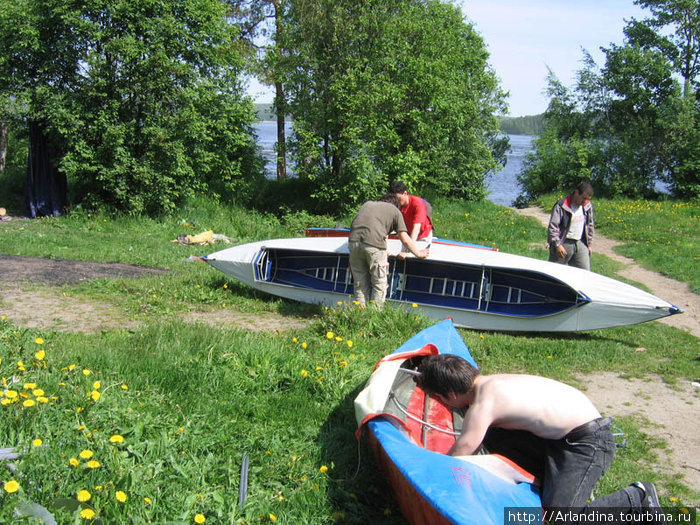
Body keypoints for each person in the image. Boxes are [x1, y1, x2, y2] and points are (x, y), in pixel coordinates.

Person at [415, 354, 664, 520]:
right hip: (563, 436)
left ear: (449, 394)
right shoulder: (491, 383)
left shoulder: (485, 403)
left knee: (561, 516)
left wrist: (430, 473)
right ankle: (540, 472)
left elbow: (463, 449)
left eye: (439, 399)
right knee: (492, 431)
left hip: (587, 442)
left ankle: (637, 498)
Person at [349, 194, 429, 306]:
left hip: (353, 243)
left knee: (360, 283)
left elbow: (375, 228)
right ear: (396, 205)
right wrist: (418, 253)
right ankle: (374, 315)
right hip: (374, 246)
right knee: (379, 283)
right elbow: (405, 239)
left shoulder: (367, 205)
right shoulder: (395, 211)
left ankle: (359, 313)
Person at [547, 182, 594, 270]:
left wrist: (589, 245)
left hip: (580, 243)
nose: (584, 201)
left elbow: (590, 225)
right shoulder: (561, 206)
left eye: (587, 199)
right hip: (563, 243)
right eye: (583, 198)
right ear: (576, 192)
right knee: (556, 273)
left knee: (585, 273)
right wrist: (557, 245)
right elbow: (553, 227)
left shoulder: (587, 206)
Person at [389, 181, 433, 250]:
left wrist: (408, 250)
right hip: (408, 236)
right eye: (395, 199)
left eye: (399, 199)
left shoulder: (417, 203)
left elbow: (416, 229)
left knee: (412, 254)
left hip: (422, 236)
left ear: (405, 193)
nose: (397, 202)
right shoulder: (397, 205)